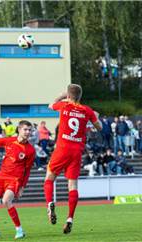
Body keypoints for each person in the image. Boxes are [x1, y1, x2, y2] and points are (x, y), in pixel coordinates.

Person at [43, 84, 102, 234]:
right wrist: (96, 117)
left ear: (69, 95)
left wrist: (63, 95)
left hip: (62, 148)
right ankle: (70, 218)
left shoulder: (64, 106)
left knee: (49, 177)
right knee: (73, 185)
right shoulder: (87, 110)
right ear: (80, 96)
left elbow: (50, 105)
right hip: (77, 151)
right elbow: (99, 127)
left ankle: (50, 203)